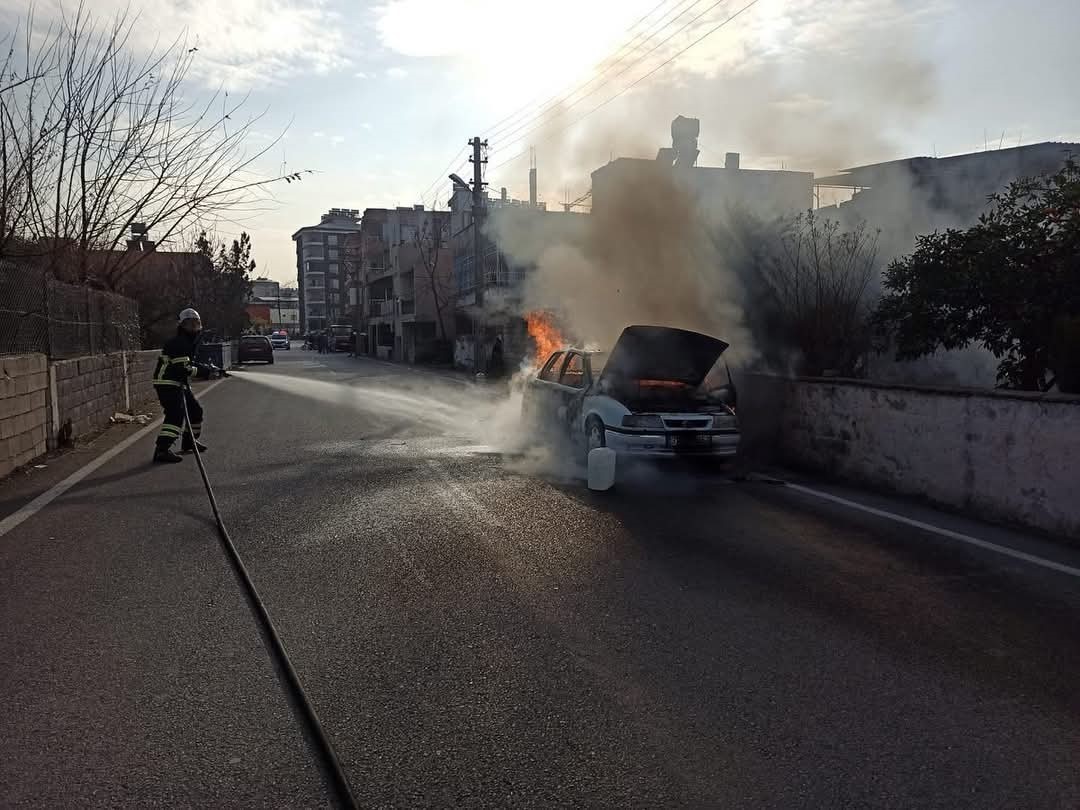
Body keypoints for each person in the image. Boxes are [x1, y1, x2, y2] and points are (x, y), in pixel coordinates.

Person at [151, 308, 215, 464]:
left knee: (195, 411)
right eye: (189, 324)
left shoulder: (188, 342)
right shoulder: (179, 343)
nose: (193, 327)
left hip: (179, 382)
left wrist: (210, 369)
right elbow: (183, 369)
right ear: (182, 325)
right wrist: (205, 372)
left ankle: (189, 442)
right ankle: (162, 450)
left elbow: (188, 364)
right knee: (175, 415)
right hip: (167, 383)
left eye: (196, 323)